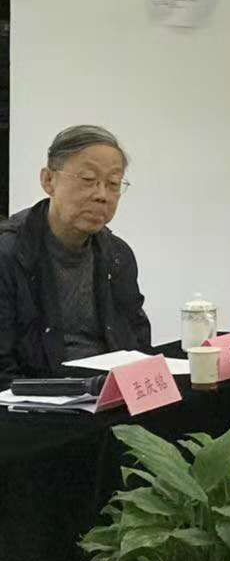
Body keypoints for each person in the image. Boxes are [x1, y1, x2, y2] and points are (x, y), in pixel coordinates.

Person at [0, 125, 151, 389]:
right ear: (48, 180)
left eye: (113, 184)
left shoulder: (117, 255)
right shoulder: (8, 254)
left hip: (107, 395)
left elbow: (137, 341)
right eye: (88, 179)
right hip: (37, 400)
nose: (102, 195)